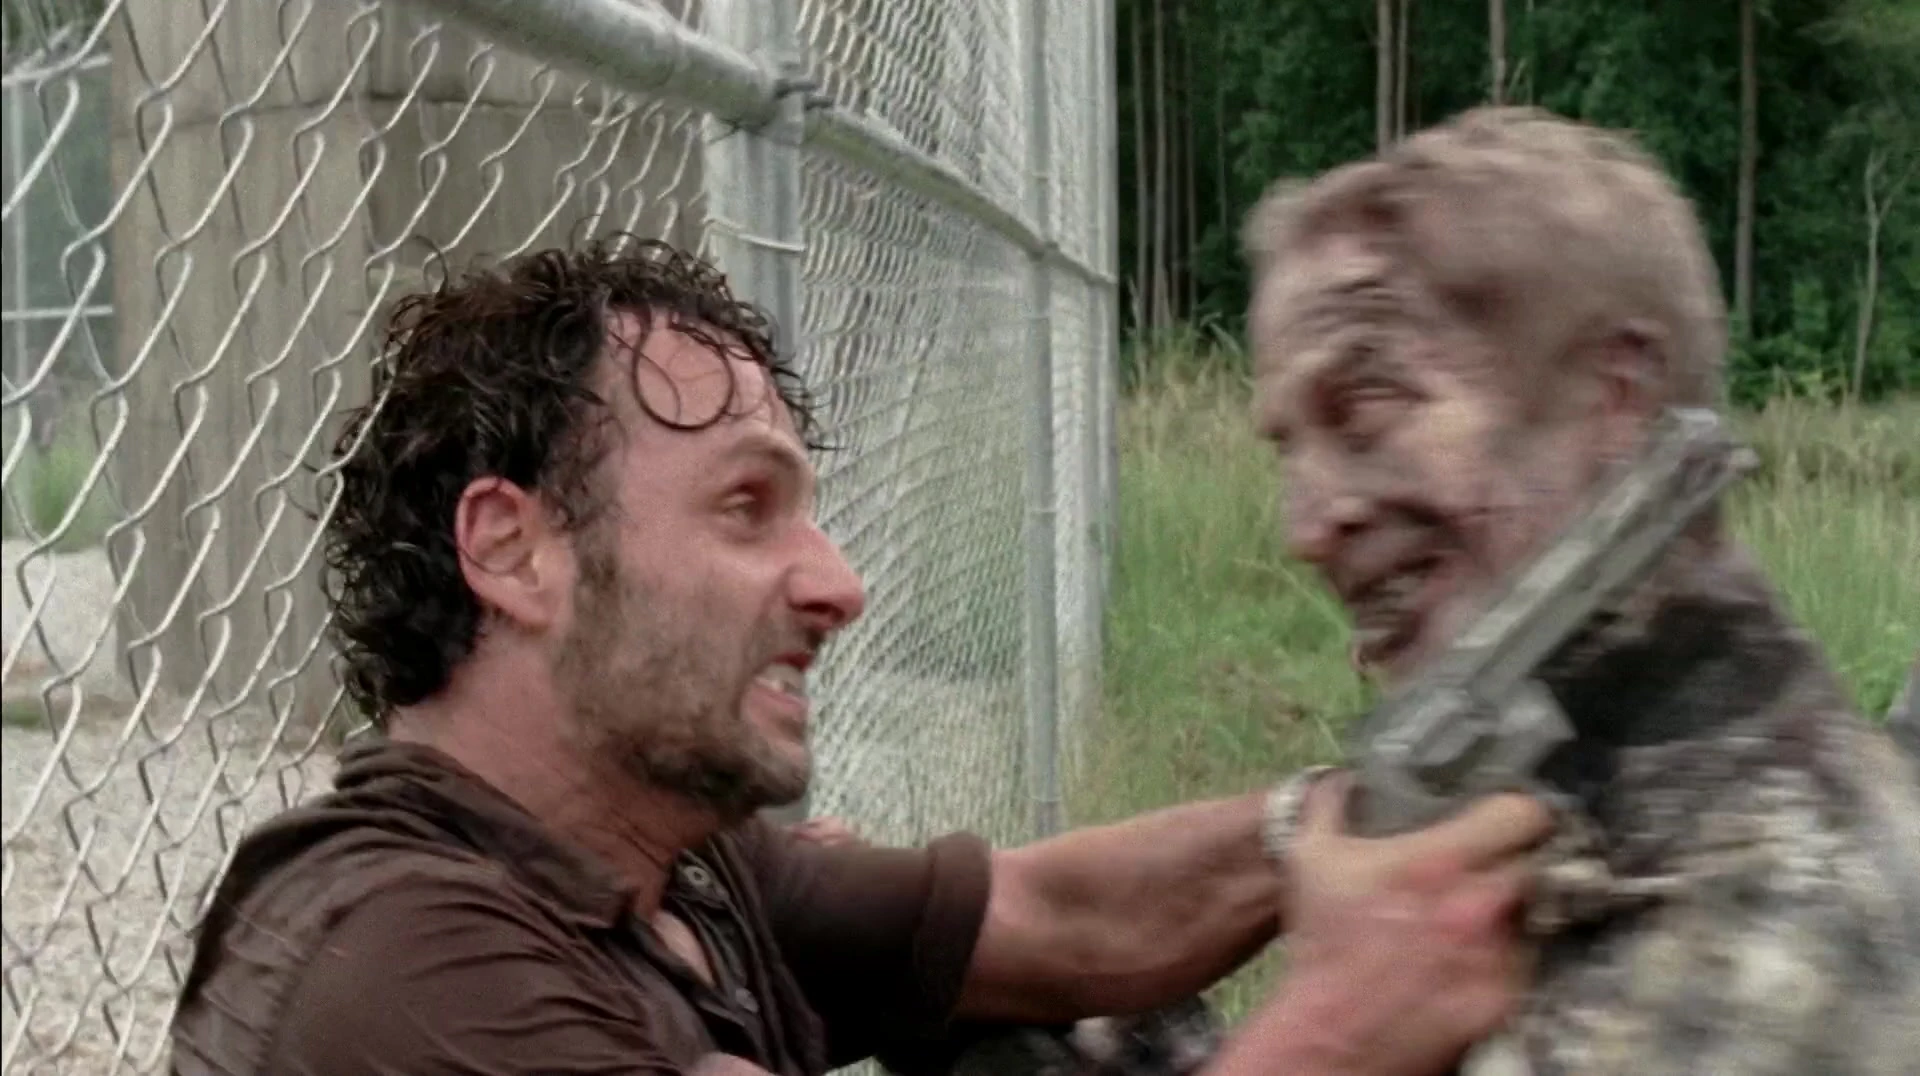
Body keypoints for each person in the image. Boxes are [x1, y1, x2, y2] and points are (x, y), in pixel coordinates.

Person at [166, 237, 1552, 1076]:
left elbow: (1061, 920)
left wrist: (1351, 816)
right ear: (515, 550)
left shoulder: (670, 867)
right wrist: (1344, 1024)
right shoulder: (404, 972)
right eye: (746, 507)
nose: (839, 584)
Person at [1242, 105, 1920, 1074]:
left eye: (1367, 406)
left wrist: (1322, 1034)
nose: (1306, 529)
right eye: (1290, 447)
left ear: (1616, 398)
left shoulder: (1771, 940)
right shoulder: (1573, 773)